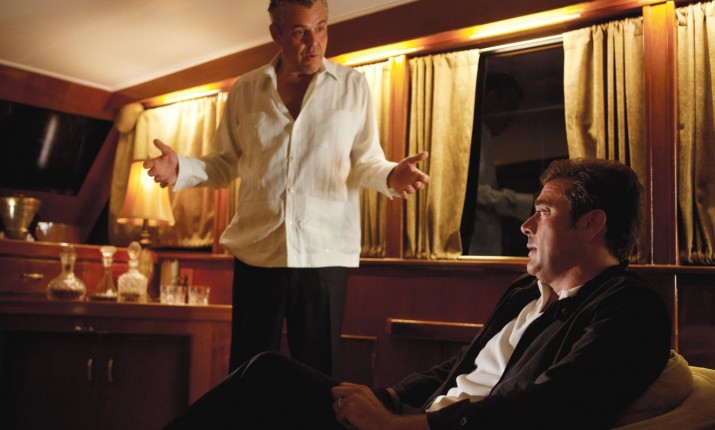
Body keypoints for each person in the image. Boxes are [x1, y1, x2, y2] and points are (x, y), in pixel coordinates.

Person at [163, 158, 672, 430]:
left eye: (543, 212)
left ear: (592, 223)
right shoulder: (525, 293)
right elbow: (461, 367)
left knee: (267, 383)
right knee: (269, 374)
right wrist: (385, 398)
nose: (525, 226)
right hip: (415, 415)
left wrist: (392, 425)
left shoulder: (629, 307)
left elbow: (551, 409)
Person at [144, 0, 429, 377]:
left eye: (321, 28)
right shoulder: (245, 89)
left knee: (318, 377)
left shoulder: (353, 86)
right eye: (300, 32)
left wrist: (392, 176)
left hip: (325, 254)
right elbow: (224, 163)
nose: (314, 42)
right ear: (276, 33)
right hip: (257, 253)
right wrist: (180, 167)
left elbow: (364, 161)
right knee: (248, 374)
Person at [469, 73, 535, 256]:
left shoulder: (483, 137)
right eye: (509, 108)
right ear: (490, 100)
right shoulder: (473, 138)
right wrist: (527, 202)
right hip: (475, 248)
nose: (512, 118)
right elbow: (474, 193)